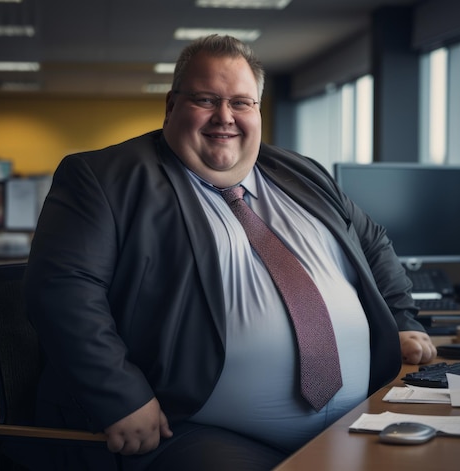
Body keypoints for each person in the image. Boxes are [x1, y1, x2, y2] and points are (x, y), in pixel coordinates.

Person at [24, 34, 437, 471]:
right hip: (193, 428)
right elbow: (62, 290)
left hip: (358, 418)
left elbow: (372, 242)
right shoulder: (105, 178)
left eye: (241, 103)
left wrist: (400, 321)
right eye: (206, 99)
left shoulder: (304, 173)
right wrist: (121, 395)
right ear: (171, 104)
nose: (225, 117)